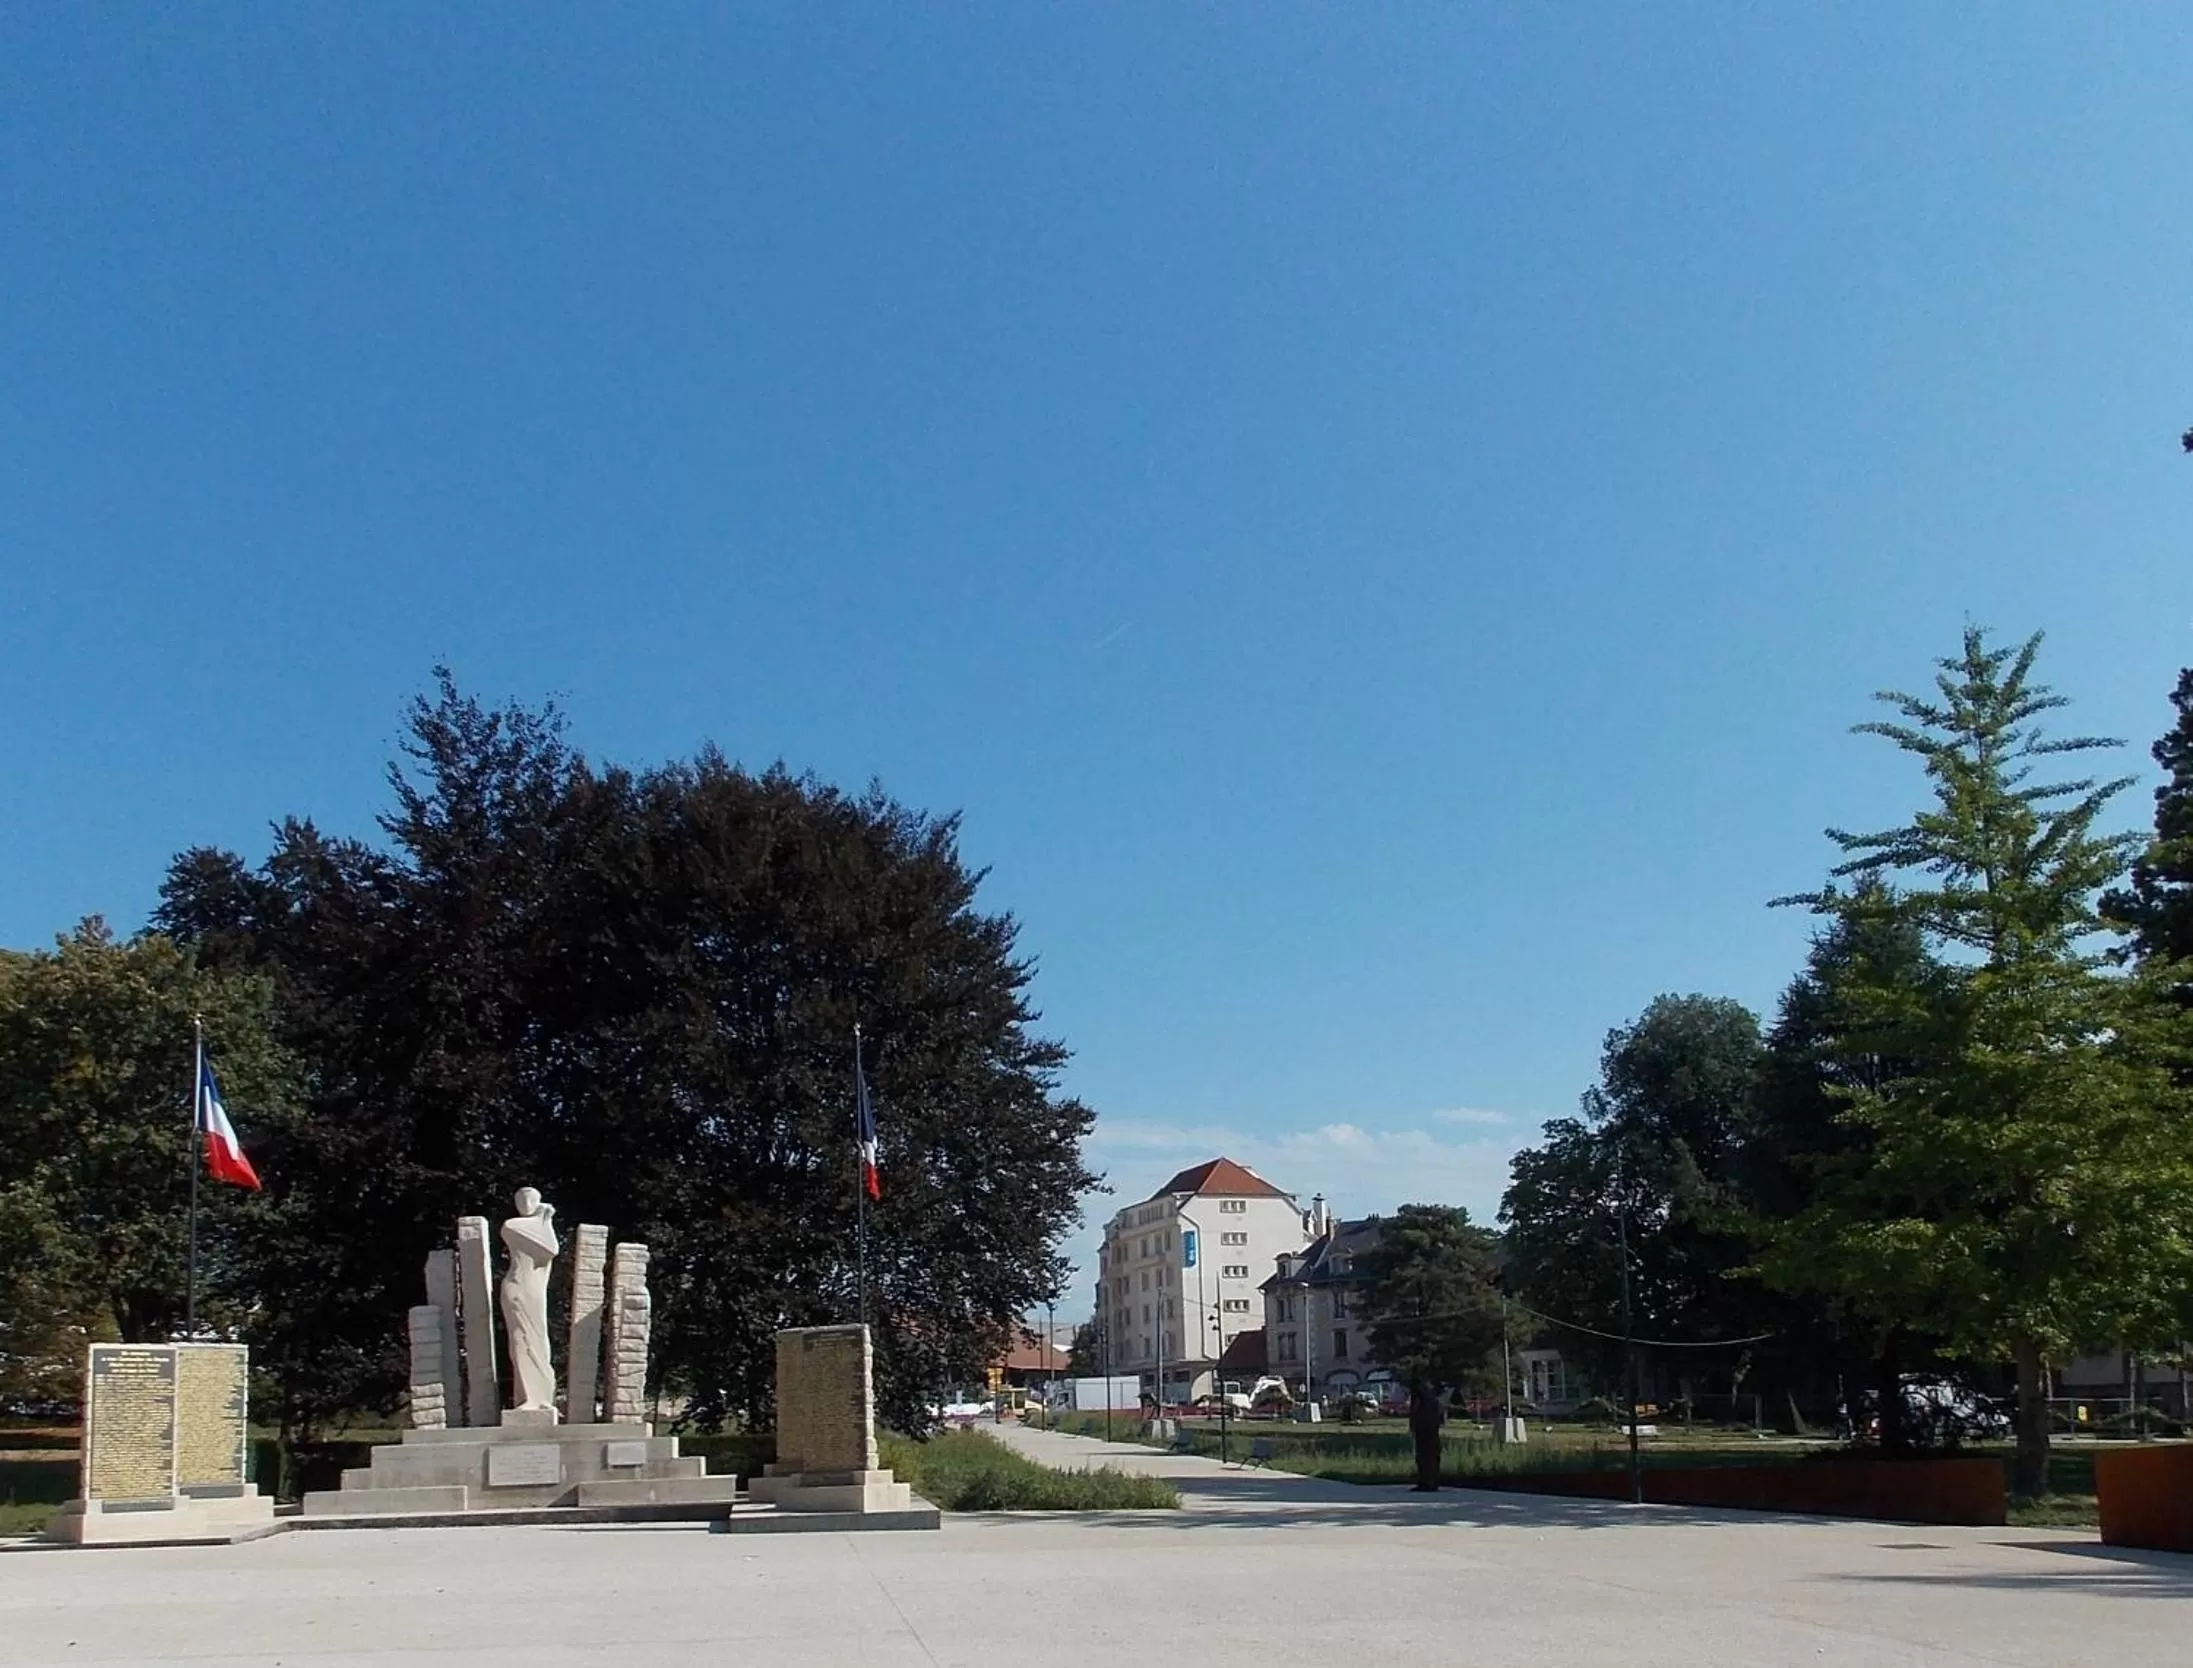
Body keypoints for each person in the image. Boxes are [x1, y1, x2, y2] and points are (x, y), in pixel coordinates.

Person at [1408, 1379, 1446, 1491]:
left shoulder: (1420, 1397)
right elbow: (1440, 1413)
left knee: (1424, 1455)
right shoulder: (1435, 1397)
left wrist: (1412, 1425)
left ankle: (1426, 1481)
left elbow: (1415, 1411)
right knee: (1432, 1455)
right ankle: (1432, 1481)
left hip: (1423, 1427)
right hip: (1432, 1428)